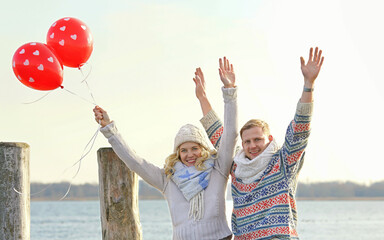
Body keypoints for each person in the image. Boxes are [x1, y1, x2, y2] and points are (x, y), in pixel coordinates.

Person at [93, 57, 238, 240]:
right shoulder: (169, 179)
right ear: (177, 153)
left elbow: (231, 134)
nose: (189, 154)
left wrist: (230, 92)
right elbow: (135, 162)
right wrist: (110, 130)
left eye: (194, 148)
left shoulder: (218, 168)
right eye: (183, 150)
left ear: (203, 149)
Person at [194, 47, 324, 239]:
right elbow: (217, 132)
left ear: (269, 139)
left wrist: (308, 84)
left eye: (257, 139)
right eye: (247, 141)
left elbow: (300, 128)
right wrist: (202, 97)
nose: (252, 145)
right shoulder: (236, 164)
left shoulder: (282, 162)